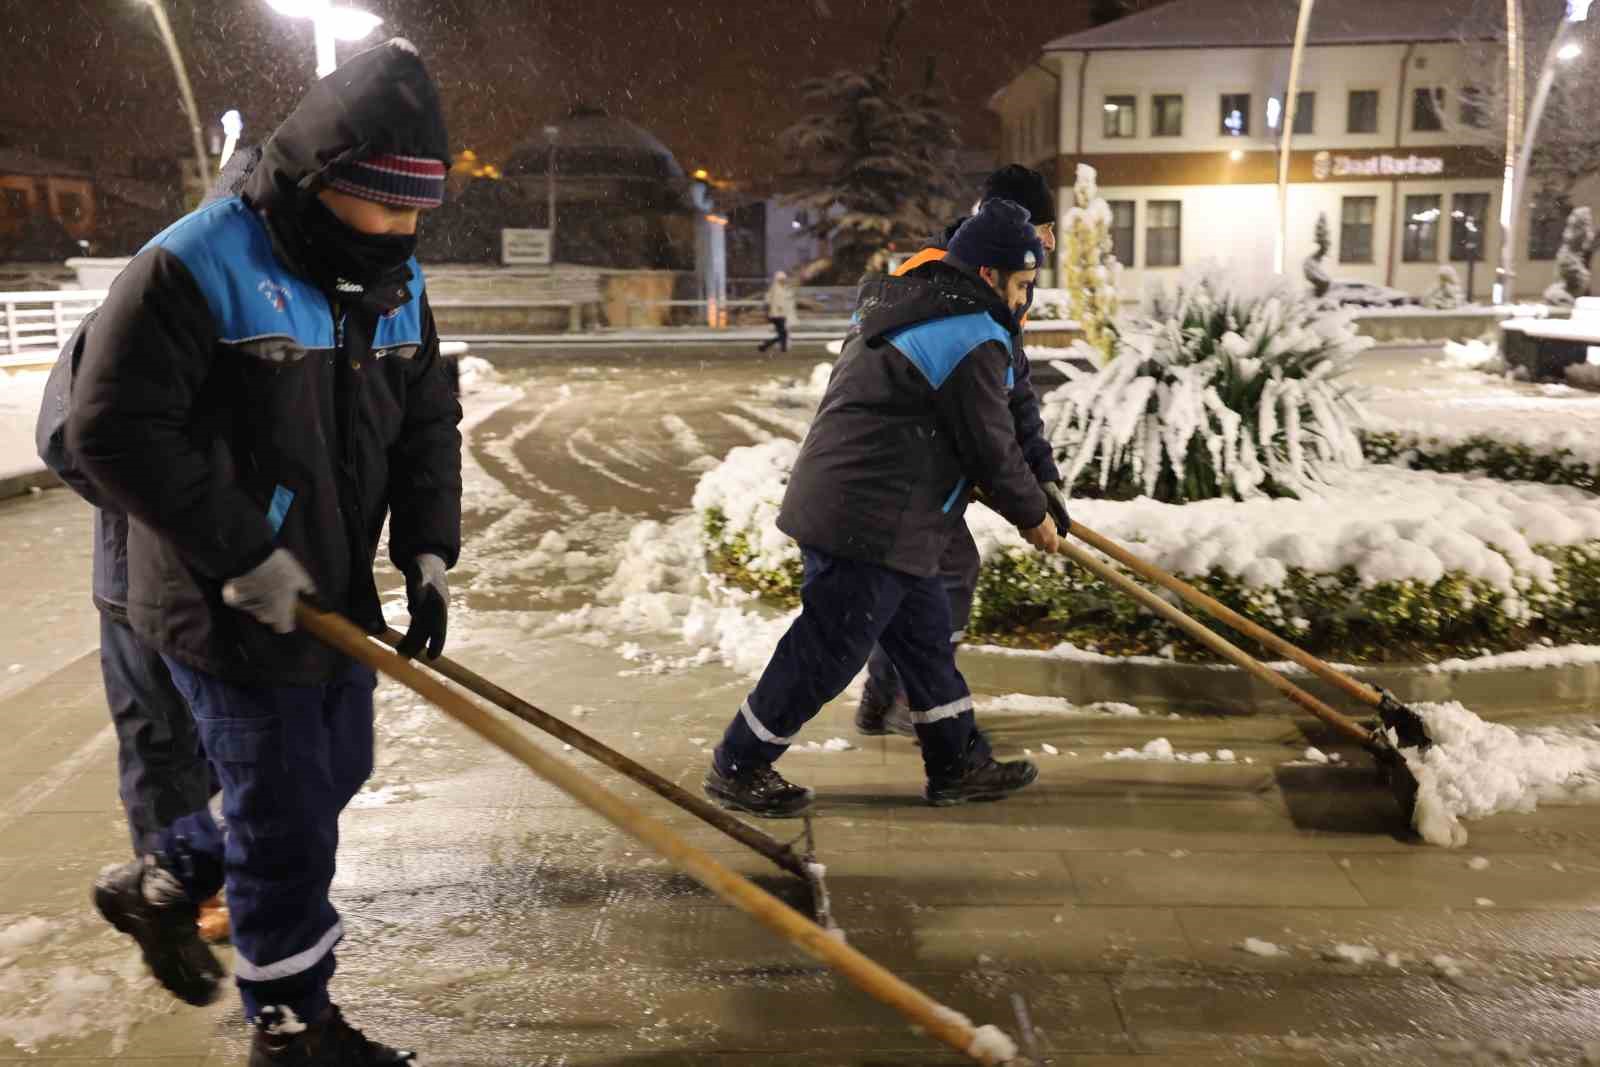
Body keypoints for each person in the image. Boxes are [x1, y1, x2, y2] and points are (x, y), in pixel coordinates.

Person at [69, 39, 460, 1066]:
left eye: (420, 210)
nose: (405, 229)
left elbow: (426, 417)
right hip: (217, 593)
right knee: (287, 811)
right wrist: (244, 549)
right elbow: (113, 430)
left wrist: (427, 548)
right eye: (386, 204)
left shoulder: (396, 273)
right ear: (323, 182)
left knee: (335, 764)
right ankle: (292, 1028)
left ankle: (165, 877)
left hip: (326, 581)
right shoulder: (196, 262)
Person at [703, 199, 1060, 816]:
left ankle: (957, 763)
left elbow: (973, 424)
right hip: (868, 518)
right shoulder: (969, 333)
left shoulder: (924, 305)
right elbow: (990, 445)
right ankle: (739, 764)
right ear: (988, 276)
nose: (1025, 300)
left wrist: (1036, 493)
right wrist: (1035, 515)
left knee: (923, 644)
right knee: (828, 648)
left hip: (887, 513)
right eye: (1022, 285)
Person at [31, 146, 267, 947]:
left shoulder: (265, 304)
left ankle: (213, 876)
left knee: (229, 738)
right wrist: (170, 510)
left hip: (233, 574)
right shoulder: (151, 291)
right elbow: (67, 437)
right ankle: (177, 890)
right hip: (143, 577)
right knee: (163, 737)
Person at [858, 163, 1071, 738]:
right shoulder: (936, 273)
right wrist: (1021, 499)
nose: (1050, 241)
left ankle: (885, 696)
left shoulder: (1009, 277)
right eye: (1044, 225)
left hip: (936, 457)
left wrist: (1042, 476)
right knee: (945, 571)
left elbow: (1012, 385)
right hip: (902, 458)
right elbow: (946, 383)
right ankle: (906, 697)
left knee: (932, 573)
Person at [757, 269, 796, 354]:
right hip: (777, 315)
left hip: (779, 314)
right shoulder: (777, 289)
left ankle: (767, 346)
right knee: (783, 333)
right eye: (782, 279)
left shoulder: (780, 288)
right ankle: (771, 346)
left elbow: (769, 300)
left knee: (782, 333)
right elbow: (776, 301)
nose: (784, 280)